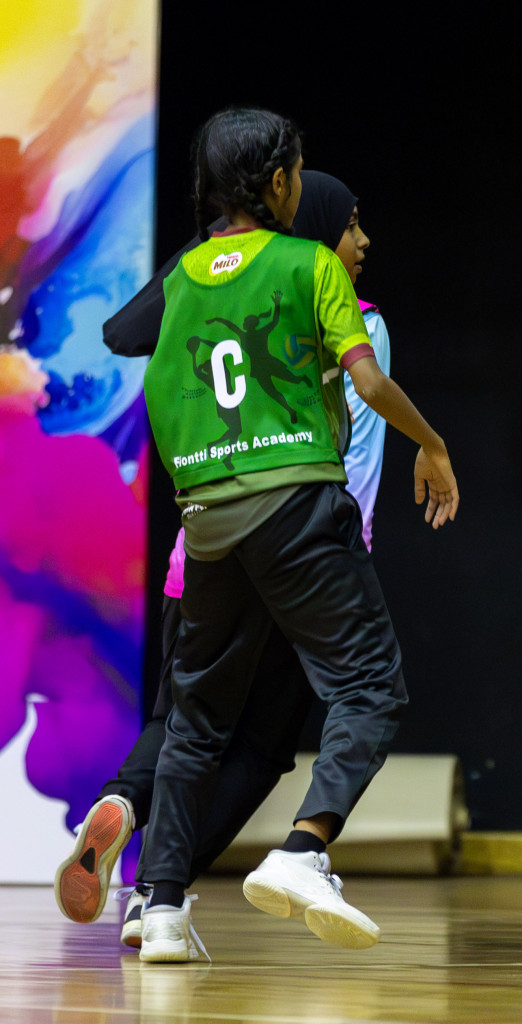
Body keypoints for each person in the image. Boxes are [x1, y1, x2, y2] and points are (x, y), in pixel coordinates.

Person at [133, 108, 457, 964]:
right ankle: (306, 851)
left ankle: (160, 908)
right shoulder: (309, 263)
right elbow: (368, 379)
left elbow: (147, 374)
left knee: (195, 720)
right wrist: (431, 443)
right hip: (296, 506)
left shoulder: (184, 278)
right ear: (280, 184)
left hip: (207, 515)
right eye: (301, 172)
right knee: (370, 687)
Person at [53, 172, 387, 951]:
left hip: (198, 546)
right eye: (352, 224)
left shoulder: (203, 297)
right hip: (301, 548)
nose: (364, 243)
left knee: (184, 725)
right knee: (267, 744)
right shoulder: (345, 312)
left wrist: (204, 255)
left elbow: (123, 333)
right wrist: (349, 553)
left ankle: (128, 818)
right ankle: (156, 894)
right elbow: (358, 457)